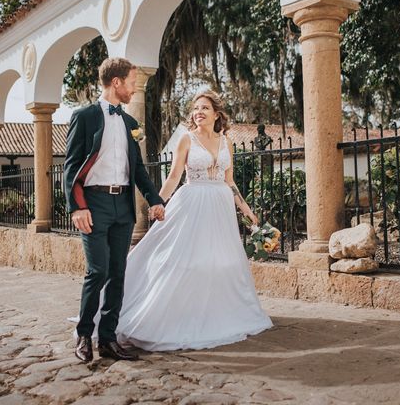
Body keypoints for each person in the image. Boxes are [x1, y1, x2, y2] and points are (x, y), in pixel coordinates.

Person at [115, 90, 273, 351]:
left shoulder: (226, 142)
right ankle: (179, 314)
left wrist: (246, 210)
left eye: (205, 108)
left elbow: (229, 180)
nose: (198, 112)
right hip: (192, 203)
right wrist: (158, 202)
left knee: (221, 262)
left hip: (220, 205)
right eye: (195, 108)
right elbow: (174, 176)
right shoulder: (186, 139)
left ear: (216, 114)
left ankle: (217, 314)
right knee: (186, 261)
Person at [64, 57, 165, 363]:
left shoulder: (130, 123)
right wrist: (76, 207)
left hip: (123, 205)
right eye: (132, 83)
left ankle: (108, 338)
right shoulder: (85, 116)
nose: (134, 89)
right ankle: (84, 335)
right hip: (93, 204)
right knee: (98, 271)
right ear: (116, 82)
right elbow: (70, 168)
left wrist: (155, 199)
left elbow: (138, 171)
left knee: (118, 274)